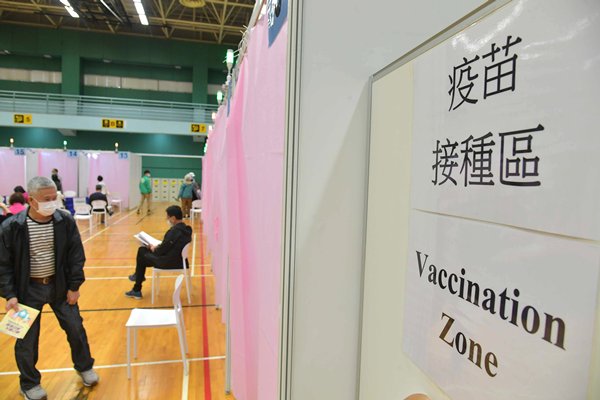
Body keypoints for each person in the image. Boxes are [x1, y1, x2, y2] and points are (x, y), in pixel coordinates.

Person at [0, 176, 98, 400]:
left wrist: (74, 286)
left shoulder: (65, 221)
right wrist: (10, 294)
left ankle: (85, 367)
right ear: (31, 200)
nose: (52, 203)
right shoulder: (12, 226)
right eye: (46, 199)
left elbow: (76, 255)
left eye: (55, 198)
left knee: (75, 328)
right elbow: (3, 264)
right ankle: (29, 384)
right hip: (27, 291)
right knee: (27, 341)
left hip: (60, 287)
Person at [126, 205, 192, 299]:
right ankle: (137, 280)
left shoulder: (173, 231)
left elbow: (161, 251)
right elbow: (168, 245)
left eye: (168, 217)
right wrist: (157, 247)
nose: (167, 219)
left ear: (173, 218)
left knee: (141, 252)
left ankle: (137, 285)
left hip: (169, 262)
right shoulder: (186, 229)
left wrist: (153, 248)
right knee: (143, 253)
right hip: (181, 260)